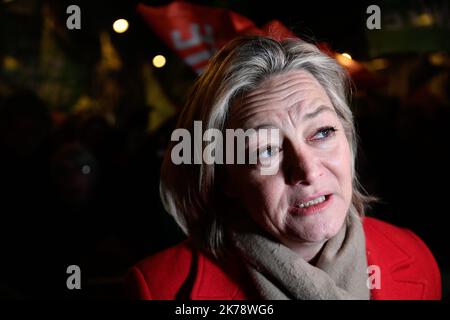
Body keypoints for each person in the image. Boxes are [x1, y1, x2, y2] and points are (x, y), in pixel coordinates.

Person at [125, 36, 441, 300]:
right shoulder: (160, 290)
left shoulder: (415, 256)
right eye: (266, 150)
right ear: (224, 177)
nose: (307, 170)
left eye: (322, 132)